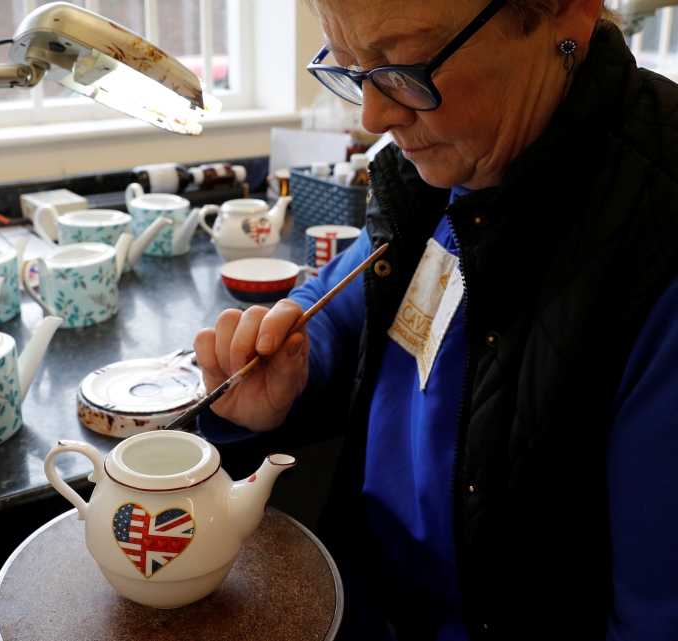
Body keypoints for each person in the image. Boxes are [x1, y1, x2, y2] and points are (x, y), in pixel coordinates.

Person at [194, 0, 678, 638]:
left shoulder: (654, 247)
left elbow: (655, 621)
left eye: (404, 65)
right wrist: (276, 370)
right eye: (349, 67)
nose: (372, 117)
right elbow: (341, 303)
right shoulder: (450, 169)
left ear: (569, 12)